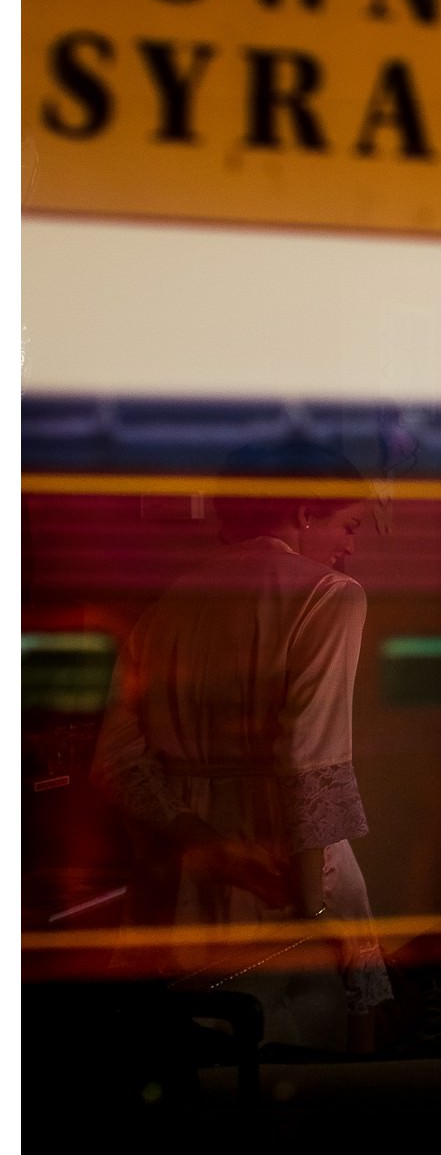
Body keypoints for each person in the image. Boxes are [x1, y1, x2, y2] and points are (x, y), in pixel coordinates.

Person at [92, 439, 393, 1053]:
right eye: (349, 525)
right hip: (285, 858)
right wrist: (310, 909)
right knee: (314, 1063)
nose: (351, 547)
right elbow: (312, 756)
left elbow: (116, 762)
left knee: (193, 1065)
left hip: (179, 867)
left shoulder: (167, 606)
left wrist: (206, 844)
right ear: (306, 511)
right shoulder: (332, 595)